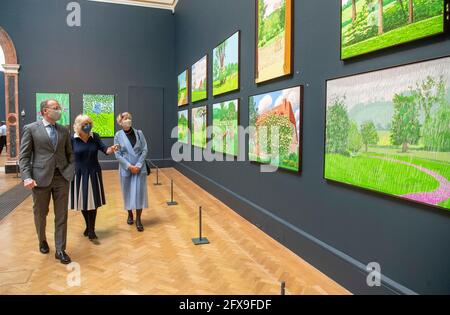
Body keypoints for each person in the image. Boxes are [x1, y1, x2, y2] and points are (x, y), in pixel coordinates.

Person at [19, 99, 74, 264]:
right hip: (40, 179)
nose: (59, 110)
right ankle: (42, 239)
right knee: (40, 214)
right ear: (44, 111)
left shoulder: (64, 130)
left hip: (62, 178)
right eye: (55, 108)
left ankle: (60, 249)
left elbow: (70, 154)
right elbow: (24, 156)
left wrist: (70, 171)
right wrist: (27, 177)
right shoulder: (31, 129)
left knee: (62, 215)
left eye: (59, 108)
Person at [69, 115, 118, 244]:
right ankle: (88, 226)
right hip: (78, 173)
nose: (88, 125)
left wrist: (111, 149)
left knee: (93, 202)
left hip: (93, 172)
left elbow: (105, 150)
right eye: (85, 123)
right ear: (78, 125)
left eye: (89, 123)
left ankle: (92, 229)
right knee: (83, 202)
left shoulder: (94, 136)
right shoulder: (72, 139)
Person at [114, 112, 148, 232]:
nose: (127, 120)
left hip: (139, 168)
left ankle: (138, 219)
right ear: (120, 122)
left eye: (129, 118)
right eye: (125, 118)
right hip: (126, 168)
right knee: (127, 192)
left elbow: (144, 149)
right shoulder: (118, 135)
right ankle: (130, 214)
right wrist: (129, 166)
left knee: (139, 193)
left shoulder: (139, 133)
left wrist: (138, 165)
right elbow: (117, 154)